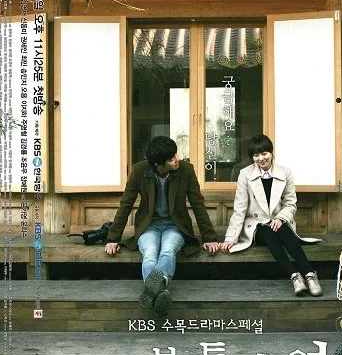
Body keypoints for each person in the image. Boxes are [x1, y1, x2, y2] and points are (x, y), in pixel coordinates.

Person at [105, 136, 220, 317]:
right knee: (150, 254)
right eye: (171, 159)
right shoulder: (139, 171)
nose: (176, 160)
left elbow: (197, 203)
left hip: (175, 225)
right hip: (148, 225)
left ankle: (152, 290)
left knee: (168, 250)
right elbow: (126, 204)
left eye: (175, 155)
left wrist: (209, 237)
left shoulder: (186, 170)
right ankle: (160, 291)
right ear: (158, 164)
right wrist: (113, 238)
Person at [220, 134, 322, 297]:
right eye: (256, 155)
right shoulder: (245, 174)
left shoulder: (285, 172)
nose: (261, 158)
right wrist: (231, 238)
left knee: (281, 230)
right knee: (269, 231)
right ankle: (294, 276)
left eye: (264, 153)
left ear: (271, 153)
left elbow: (290, 203)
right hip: (256, 225)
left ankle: (309, 275)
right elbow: (240, 208)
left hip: (279, 223)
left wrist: (280, 218)